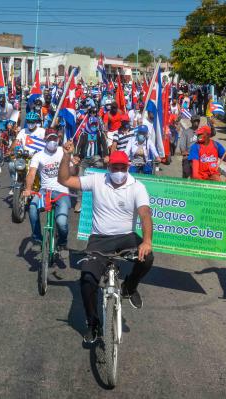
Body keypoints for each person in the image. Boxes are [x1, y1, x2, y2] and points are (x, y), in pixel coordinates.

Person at [58, 146, 153, 343]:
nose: (118, 172)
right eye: (114, 168)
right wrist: (66, 156)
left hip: (127, 236)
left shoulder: (137, 187)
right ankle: (93, 325)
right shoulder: (97, 180)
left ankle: (129, 287)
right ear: (108, 167)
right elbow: (65, 180)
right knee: (87, 280)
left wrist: (147, 241)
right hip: (99, 239)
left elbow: (145, 213)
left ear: (128, 168)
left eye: (122, 168)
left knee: (147, 258)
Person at [23, 130, 70, 252]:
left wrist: (73, 160)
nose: (53, 142)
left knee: (61, 222)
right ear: (45, 140)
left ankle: (62, 243)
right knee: (32, 207)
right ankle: (37, 238)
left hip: (62, 191)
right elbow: (32, 173)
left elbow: (72, 169)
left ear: (58, 140)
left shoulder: (63, 151)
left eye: (55, 139)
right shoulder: (38, 155)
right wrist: (28, 189)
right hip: (44, 191)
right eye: (50, 139)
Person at [72, 116, 110, 212]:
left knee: (100, 174)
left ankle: (99, 200)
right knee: (80, 179)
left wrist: (106, 156)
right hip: (84, 159)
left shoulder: (100, 133)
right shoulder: (83, 134)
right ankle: (79, 201)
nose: (94, 126)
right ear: (88, 124)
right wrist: (76, 155)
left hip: (96, 158)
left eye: (95, 124)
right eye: (92, 124)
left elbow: (104, 145)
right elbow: (78, 145)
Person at [9, 111, 46, 194]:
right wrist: (10, 150)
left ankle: (43, 188)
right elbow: (16, 141)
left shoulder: (42, 131)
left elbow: (46, 143)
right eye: (28, 121)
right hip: (24, 157)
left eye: (32, 122)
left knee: (43, 172)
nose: (30, 123)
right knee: (11, 165)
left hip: (38, 158)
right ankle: (15, 184)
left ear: (36, 122)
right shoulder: (23, 131)